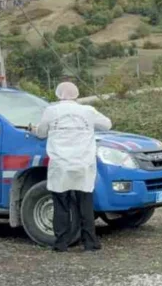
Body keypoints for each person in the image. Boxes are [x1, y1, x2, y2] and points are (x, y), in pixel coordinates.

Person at [34, 81, 111, 252]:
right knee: (85, 204)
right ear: (76, 94)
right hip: (84, 164)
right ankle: (90, 243)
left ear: (58, 94)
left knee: (61, 204)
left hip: (60, 165)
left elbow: (41, 133)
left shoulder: (51, 111)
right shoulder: (87, 111)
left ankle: (61, 243)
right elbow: (107, 124)